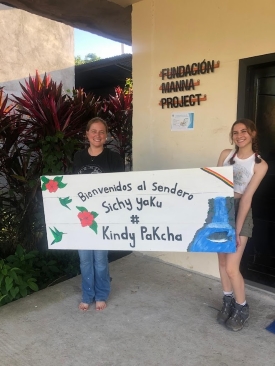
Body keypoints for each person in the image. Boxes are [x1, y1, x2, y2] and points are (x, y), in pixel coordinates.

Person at [216, 118, 268, 331]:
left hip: (241, 212)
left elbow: (246, 199)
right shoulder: (225, 155)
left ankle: (241, 306)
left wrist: (236, 231)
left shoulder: (260, 165)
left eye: (244, 131)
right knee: (221, 263)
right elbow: (215, 184)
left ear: (253, 134)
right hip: (222, 209)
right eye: (235, 132)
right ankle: (227, 300)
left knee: (231, 267)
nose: (239, 135)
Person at [73, 117, 124, 311]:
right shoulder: (78, 157)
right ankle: (87, 294)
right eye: (93, 131)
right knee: (85, 258)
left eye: (101, 132)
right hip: (82, 216)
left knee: (100, 260)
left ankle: (101, 294)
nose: (97, 135)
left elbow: (121, 187)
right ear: (87, 134)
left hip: (104, 216)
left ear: (107, 136)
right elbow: (72, 186)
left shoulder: (113, 158)